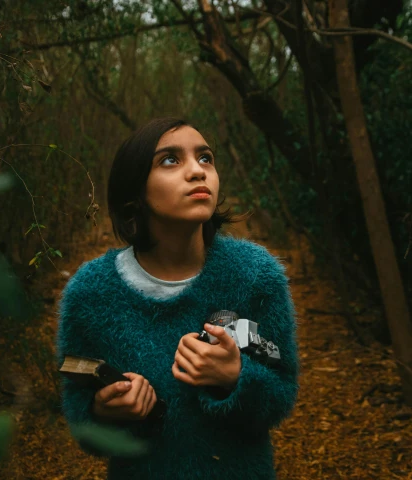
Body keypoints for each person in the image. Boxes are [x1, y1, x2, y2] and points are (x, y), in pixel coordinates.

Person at [56, 117, 299, 479]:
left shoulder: (255, 275)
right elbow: (80, 414)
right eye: (170, 160)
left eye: (205, 158)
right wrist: (105, 410)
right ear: (134, 191)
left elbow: (281, 392)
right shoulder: (90, 293)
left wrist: (236, 376)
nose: (197, 172)